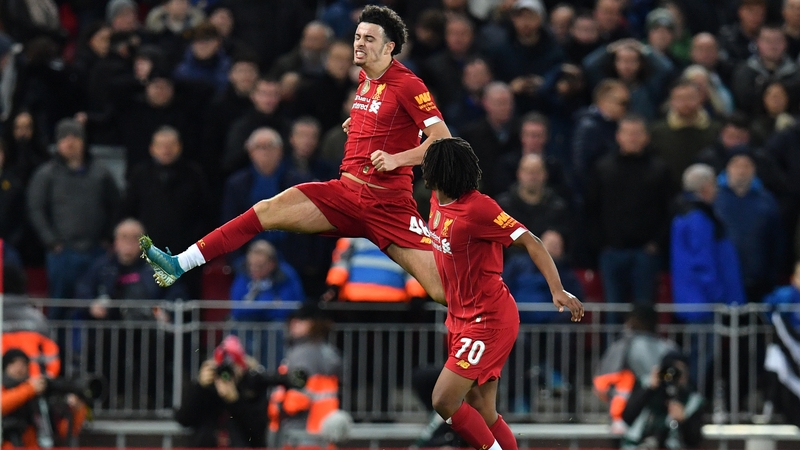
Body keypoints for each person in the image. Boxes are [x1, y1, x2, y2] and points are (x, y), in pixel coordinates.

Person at [140, 5, 451, 306]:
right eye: (357, 36)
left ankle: (494, 311)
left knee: (442, 290)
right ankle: (179, 263)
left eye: (369, 39)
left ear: (389, 47)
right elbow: (387, 122)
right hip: (345, 194)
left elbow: (442, 141)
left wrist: (397, 159)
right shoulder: (365, 79)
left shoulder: (408, 84)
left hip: (387, 204)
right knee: (265, 210)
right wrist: (357, 122)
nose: (359, 43)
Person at [420, 137, 583, 450]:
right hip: (460, 316)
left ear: (439, 172)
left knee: (443, 399)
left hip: (488, 318)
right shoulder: (436, 200)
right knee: (483, 409)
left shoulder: (479, 208)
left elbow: (532, 241)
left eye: (427, 164)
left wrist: (557, 289)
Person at [174, 335, 280, 448]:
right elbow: (183, 419)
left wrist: (235, 401)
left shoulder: (253, 388)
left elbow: (257, 433)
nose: (227, 374)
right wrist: (199, 387)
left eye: (234, 366)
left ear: (242, 367)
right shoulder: (206, 389)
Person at [268, 303, 347, 447]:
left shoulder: (302, 354)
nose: (294, 323)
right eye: (293, 319)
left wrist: (278, 408)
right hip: (322, 434)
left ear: (315, 323)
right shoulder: (328, 353)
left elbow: (297, 399)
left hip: (298, 434)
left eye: (301, 320)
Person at [593, 305, 678, 434]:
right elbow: (676, 377)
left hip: (627, 418)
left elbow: (600, 387)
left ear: (634, 321)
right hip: (658, 415)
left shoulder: (624, 346)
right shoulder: (669, 347)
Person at [620, 351, 705, 449]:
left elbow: (694, 441)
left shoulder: (693, 400)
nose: (674, 376)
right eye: (670, 371)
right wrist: (649, 389)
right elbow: (627, 417)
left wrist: (684, 421)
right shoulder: (646, 386)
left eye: (679, 372)